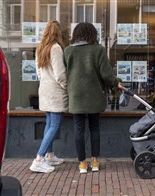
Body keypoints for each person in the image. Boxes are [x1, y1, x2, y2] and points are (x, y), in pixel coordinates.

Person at [64, 22, 124, 174]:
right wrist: (116, 82)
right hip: (94, 95)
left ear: (76, 34)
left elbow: (65, 73)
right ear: (93, 34)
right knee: (94, 128)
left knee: (79, 129)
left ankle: (82, 164)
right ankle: (95, 161)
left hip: (76, 95)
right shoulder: (98, 50)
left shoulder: (68, 51)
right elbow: (106, 74)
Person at [29, 21, 68, 173]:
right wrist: (67, 87)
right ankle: (39, 159)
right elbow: (60, 74)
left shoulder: (40, 48)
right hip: (56, 91)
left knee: (49, 123)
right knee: (55, 125)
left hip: (44, 89)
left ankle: (49, 155)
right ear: (58, 33)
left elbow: (38, 73)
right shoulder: (56, 48)